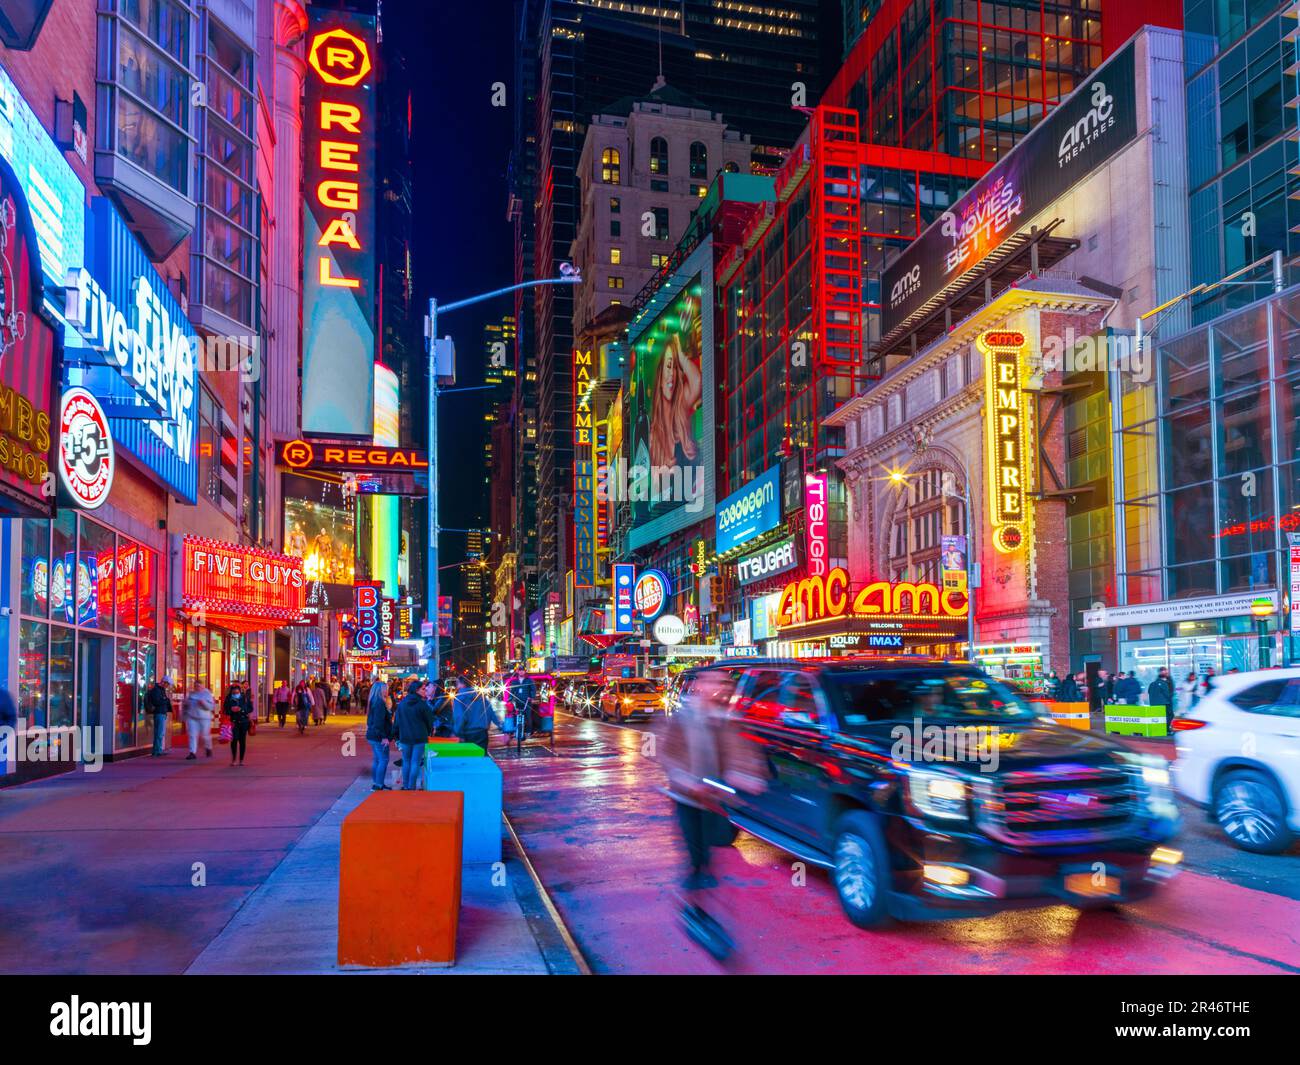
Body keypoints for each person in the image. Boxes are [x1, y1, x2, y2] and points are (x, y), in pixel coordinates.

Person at [393, 679, 437, 790]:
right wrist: (428, 731)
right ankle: (411, 786)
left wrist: (396, 736)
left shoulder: (402, 704)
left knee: (406, 761)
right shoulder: (422, 705)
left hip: (405, 737)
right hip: (419, 737)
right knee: (415, 762)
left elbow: (397, 722)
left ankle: (406, 785)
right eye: (423, 689)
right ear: (417, 690)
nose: (425, 690)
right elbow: (430, 721)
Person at [450, 676, 503, 751]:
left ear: (463, 684)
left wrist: (456, 732)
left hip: (468, 734)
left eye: (457, 684)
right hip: (482, 734)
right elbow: (491, 713)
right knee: (482, 758)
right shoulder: (481, 697)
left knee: (468, 760)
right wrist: (502, 727)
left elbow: (460, 717)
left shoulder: (459, 698)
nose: (457, 686)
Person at [365, 681, 394, 790]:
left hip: (372, 735)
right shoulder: (380, 703)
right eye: (386, 688)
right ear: (381, 690)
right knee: (383, 759)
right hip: (378, 736)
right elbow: (379, 723)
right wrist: (384, 737)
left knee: (377, 759)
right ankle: (379, 784)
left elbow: (372, 721)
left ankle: (377, 782)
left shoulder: (373, 701)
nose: (387, 690)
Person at [183, 681, 215, 760]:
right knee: (192, 735)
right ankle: (192, 752)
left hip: (204, 718)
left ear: (202, 686)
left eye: (199, 686)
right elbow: (185, 705)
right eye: (196, 686)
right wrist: (184, 713)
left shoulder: (207, 694)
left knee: (205, 735)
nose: (197, 687)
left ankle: (208, 748)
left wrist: (203, 703)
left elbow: (211, 707)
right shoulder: (191, 694)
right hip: (192, 717)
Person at [224, 681, 253, 766]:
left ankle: (241, 760)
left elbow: (250, 709)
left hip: (244, 722)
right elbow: (225, 710)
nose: (236, 693)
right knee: (234, 740)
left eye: (237, 692)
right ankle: (234, 759)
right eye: (234, 692)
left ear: (240, 691)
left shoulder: (245, 698)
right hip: (233, 722)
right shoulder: (228, 698)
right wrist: (231, 710)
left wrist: (242, 710)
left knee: (242, 741)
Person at [505, 666, 536, 736]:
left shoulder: (529, 680)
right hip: (518, 701)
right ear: (518, 671)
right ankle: (516, 729)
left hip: (527, 701)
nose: (521, 672)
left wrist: (531, 697)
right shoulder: (514, 681)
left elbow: (533, 689)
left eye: (522, 670)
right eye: (520, 670)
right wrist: (510, 699)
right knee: (515, 715)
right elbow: (512, 691)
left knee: (528, 716)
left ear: (525, 671)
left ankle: (528, 731)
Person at [145, 678, 172, 756]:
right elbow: (157, 701)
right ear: (164, 682)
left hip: (161, 713)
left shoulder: (160, 690)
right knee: (159, 733)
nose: (168, 686)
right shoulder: (156, 690)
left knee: (160, 733)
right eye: (167, 684)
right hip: (159, 713)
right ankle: (157, 751)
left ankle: (158, 750)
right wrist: (166, 700)